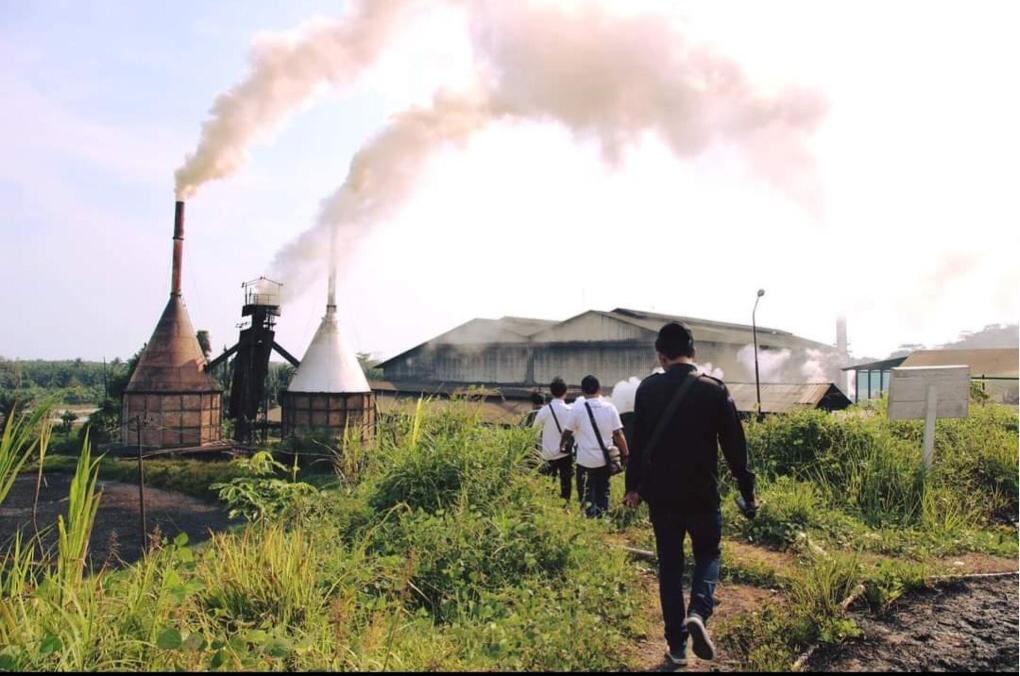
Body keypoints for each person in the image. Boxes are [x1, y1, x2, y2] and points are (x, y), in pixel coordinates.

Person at [624, 322, 757, 668]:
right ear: (693, 353)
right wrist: (748, 491)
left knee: (669, 569)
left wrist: (632, 487)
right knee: (708, 554)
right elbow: (735, 448)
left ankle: (677, 648)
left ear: (661, 355)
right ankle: (698, 610)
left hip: (662, 498)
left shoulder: (648, 390)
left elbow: (637, 445)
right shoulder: (713, 390)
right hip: (702, 495)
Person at [560, 375, 629, 517]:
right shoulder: (610, 408)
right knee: (603, 490)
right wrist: (626, 453)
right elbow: (618, 434)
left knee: (586, 493)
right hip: (604, 460)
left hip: (584, 460)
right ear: (599, 389)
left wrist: (562, 444)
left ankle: (588, 519)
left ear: (582, 391)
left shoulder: (577, 409)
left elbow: (567, 431)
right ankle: (602, 518)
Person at [531, 377, 574, 501]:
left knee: (548, 483)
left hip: (548, 454)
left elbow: (534, 433)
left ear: (551, 392)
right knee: (566, 481)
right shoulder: (571, 410)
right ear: (566, 392)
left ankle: (548, 504)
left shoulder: (544, 411)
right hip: (566, 452)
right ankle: (566, 506)